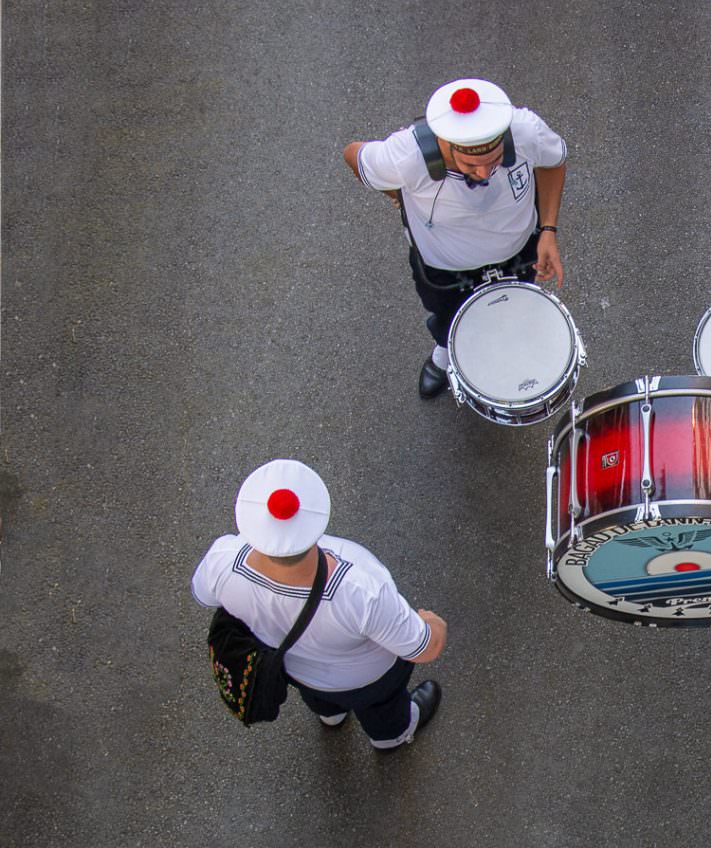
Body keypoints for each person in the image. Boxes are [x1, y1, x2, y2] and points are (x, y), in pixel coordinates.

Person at [192, 459, 447, 750]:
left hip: (299, 671)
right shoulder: (360, 587)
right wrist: (433, 624)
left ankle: (331, 716)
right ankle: (391, 737)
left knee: (318, 697)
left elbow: (204, 596)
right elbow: (424, 648)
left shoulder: (223, 561)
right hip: (370, 677)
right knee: (384, 708)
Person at [343, 77, 568, 398]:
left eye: (494, 161)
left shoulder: (525, 131)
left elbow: (554, 163)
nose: (486, 173)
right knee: (448, 314)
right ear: (445, 144)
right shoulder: (405, 155)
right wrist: (396, 192)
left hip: (520, 251)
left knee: (515, 307)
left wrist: (548, 230)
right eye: (471, 165)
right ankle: (445, 353)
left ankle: (505, 351)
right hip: (445, 268)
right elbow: (353, 154)